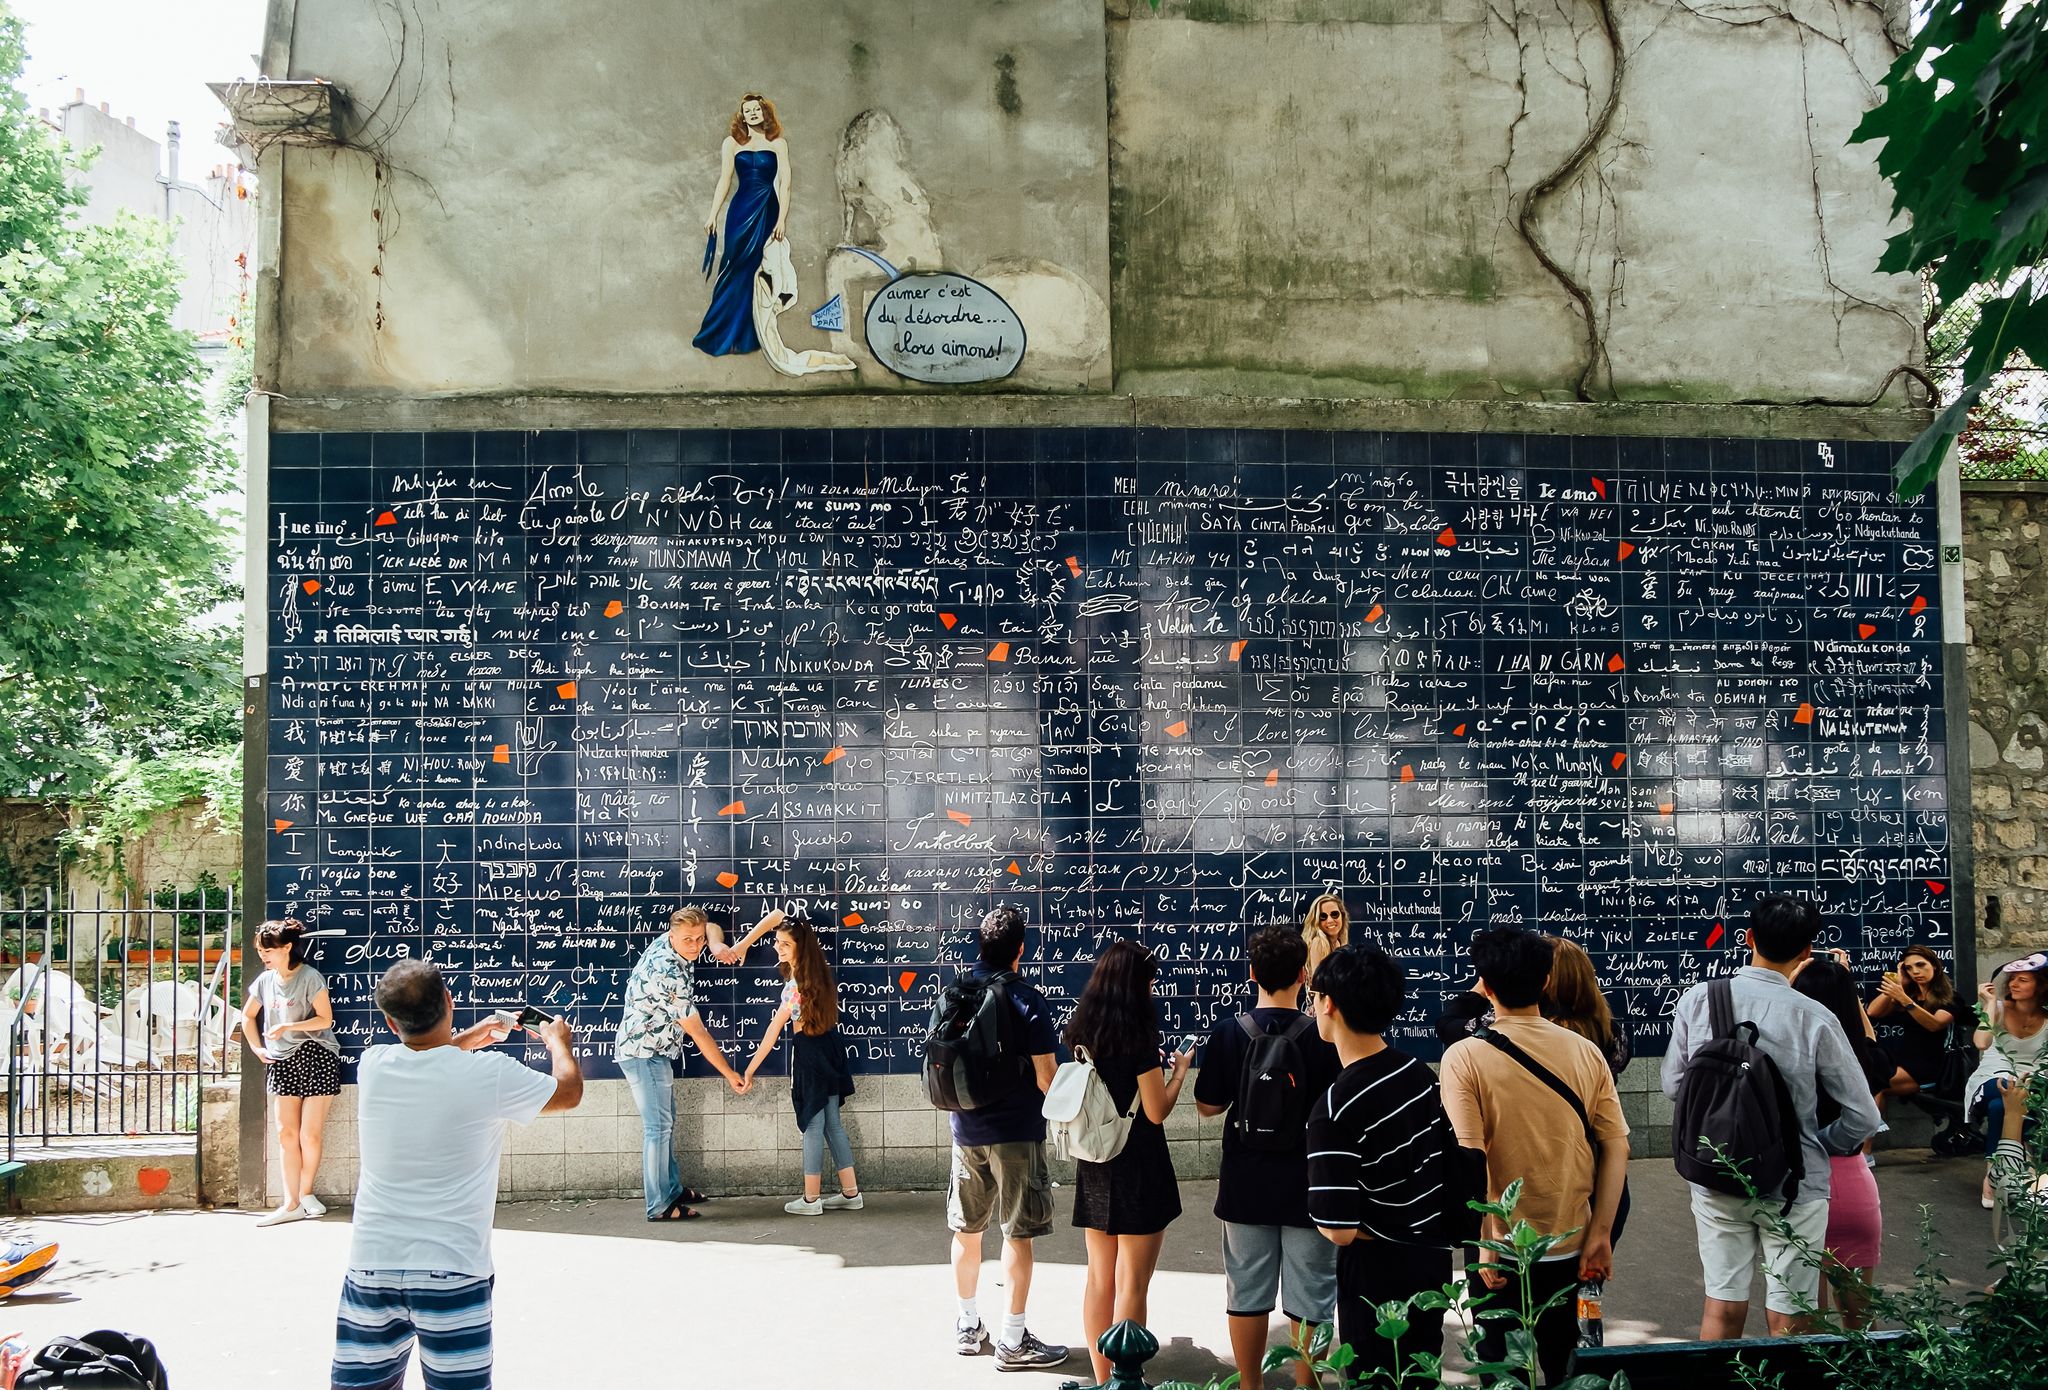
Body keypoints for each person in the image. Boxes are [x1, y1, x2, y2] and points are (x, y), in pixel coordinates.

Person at [331, 959, 582, 1390]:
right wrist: (557, 1042)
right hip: (453, 1272)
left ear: (390, 1023)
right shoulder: (490, 1074)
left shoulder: (374, 1065)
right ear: (449, 1001)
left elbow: (427, 1058)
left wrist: (469, 1038)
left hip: (372, 1268)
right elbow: (568, 1092)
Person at [1660, 895, 1881, 1339]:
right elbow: (1863, 1115)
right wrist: (1818, 1142)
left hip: (1717, 1172)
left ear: (1748, 938)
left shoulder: (1699, 999)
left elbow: (1673, 1086)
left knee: (1721, 1305)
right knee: (1791, 1313)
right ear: (1806, 951)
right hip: (1794, 1185)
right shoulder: (1815, 1017)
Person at [1440, 927, 1628, 1386]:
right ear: (1546, 981)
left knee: (1504, 1370)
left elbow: (1470, 1154)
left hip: (1501, 1248)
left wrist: (1483, 1239)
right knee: (1570, 1365)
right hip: (1572, 1241)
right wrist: (1600, 1233)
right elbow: (1616, 1144)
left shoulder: (1464, 1057)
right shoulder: (1585, 1051)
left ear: (1484, 985)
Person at [1193, 926, 1343, 1390]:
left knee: (1247, 1290)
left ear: (1252, 973)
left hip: (1245, 1180)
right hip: (1309, 1180)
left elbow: (1207, 1105)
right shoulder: (1324, 1036)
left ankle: (1250, 1385)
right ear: (1304, 975)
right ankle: (1306, 1383)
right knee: (1311, 1292)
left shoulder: (1228, 1034)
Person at [1304, 945, 1458, 1389]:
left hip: (1376, 1273)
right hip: (1431, 1258)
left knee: (1376, 1376)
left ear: (1329, 1002)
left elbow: (1337, 1228)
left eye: (1313, 996)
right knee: (1421, 1374)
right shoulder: (1417, 1072)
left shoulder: (1334, 1108)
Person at [945, 907, 1070, 1370]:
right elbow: (1045, 1077)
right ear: (1021, 949)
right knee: (1018, 1233)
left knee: (967, 1229)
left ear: (981, 944)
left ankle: (966, 1323)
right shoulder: (1026, 1000)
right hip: (1016, 1132)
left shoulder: (957, 990)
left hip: (965, 1129)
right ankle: (1014, 1340)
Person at [1064, 940, 1190, 1386]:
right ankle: (1127, 1378)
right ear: (1138, 985)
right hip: (1140, 1165)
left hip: (1095, 1160)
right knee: (1133, 1280)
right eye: (1151, 981)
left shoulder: (1082, 1032)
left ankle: (1104, 1381)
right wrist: (1178, 1073)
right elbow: (1155, 1110)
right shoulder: (1138, 1037)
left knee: (1100, 1277)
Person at [612, 906, 775, 1222]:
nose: (695, 946)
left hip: (656, 1051)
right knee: (657, 1129)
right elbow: (698, 1033)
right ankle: (659, 1205)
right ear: (672, 936)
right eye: (688, 940)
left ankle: (672, 1189)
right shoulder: (669, 974)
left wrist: (715, 945)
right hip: (643, 1052)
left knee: (665, 1123)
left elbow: (712, 926)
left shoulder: (672, 941)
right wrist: (729, 1074)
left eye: (698, 939)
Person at [1788, 955, 1894, 1328]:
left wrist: (1789, 988)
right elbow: (1872, 1049)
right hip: (1853, 1183)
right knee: (1859, 1315)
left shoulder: (1785, 1056)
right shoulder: (1865, 1058)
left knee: (1805, 1317)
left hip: (1799, 1186)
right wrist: (1851, 999)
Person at [740, 917, 860, 1216]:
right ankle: (851, 1193)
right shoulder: (820, 975)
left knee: (812, 1125)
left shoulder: (795, 987)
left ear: (800, 947)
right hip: (831, 1048)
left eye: (785, 944)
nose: (777, 947)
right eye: (776, 942)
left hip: (809, 1053)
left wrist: (751, 1068)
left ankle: (811, 1199)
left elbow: (772, 1031)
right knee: (832, 1124)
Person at [240, 918, 343, 1227]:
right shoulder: (264, 981)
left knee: (309, 1135)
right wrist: (258, 1050)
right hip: (281, 1059)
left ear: (286, 948)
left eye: (267, 951)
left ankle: (306, 1193)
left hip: (316, 1055)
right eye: (260, 951)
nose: (263, 957)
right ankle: (291, 1201)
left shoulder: (310, 977)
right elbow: (247, 1017)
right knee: (286, 1134)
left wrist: (289, 1025)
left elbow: (325, 1020)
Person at [694, 93, 789, 357]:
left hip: (767, 207)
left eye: (757, 110)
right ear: (742, 116)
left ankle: (750, 334)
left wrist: (782, 218)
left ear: (764, 113)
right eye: (748, 111)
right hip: (740, 209)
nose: (753, 114)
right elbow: (725, 180)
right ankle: (719, 332)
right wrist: (712, 214)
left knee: (757, 266)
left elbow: (785, 184)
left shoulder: (778, 144)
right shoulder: (732, 144)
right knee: (734, 264)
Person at [1965, 952, 2047, 1208]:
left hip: (2034, 1081)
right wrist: (1990, 1002)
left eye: (2023, 980)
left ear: (2042, 985)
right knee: (2007, 1094)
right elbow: (1981, 1042)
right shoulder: (1999, 1008)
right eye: (2013, 979)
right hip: (1993, 1077)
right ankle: (2030, 1169)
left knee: (2002, 1107)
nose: (2013, 984)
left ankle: (1995, 1174)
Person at [1865, 944, 1958, 1101]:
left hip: (1928, 1066)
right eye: (1908, 968)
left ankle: (1872, 1126)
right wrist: (1898, 983)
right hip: (1900, 1060)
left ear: (1935, 965)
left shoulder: (1950, 997)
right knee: (1870, 1079)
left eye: (1920, 965)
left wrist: (1904, 1000)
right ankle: (1873, 1126)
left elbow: (1935, 1025)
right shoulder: (1910, 995)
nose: (1915, 971)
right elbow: (1873, 1012)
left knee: (1873, 1083)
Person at [1300, 893, 1350, 982]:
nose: (1330, 920)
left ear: (1342, 915)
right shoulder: (1318, 943)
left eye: (1334, 914)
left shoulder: (1339, 943)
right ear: (1316, 921)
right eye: (1323, 917)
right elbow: (1318, 984)